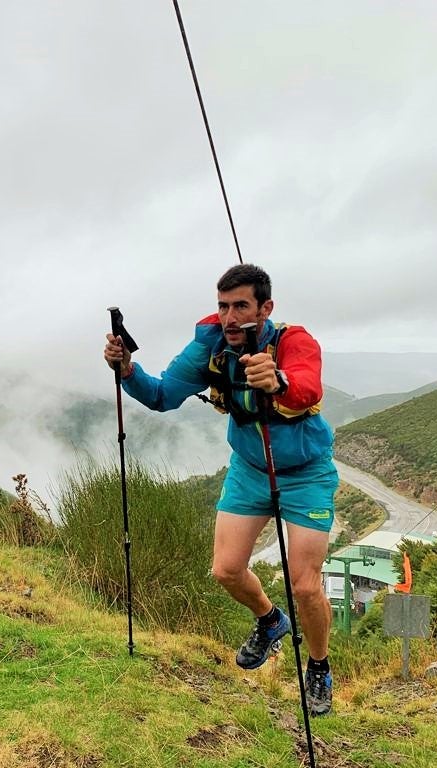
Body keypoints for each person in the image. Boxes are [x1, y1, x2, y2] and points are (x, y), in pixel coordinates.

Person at [103, 263, 338, 716]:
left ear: (265, 308)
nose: (230, 317)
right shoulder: (211, 345)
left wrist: (279, 380)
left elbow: (307, 388)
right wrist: (127, 369)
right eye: (223, 306)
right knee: (226, 570)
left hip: (306, 473)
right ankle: (270, 621)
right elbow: (162, 395)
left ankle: (318, 666)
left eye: (241, 307)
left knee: (305, 585)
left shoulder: (293, 341)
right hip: (250, 469)